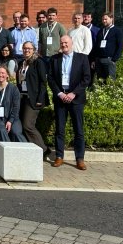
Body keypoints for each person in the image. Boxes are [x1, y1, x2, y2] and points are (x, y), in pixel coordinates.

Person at [48, 35, 91, 170]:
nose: (64, 44)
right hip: (61, 98)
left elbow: (86, 79)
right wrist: (60, 93)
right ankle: (59, 156)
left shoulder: (82, 58)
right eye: (61, 42)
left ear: (71, 43)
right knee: (60, 129)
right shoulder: (55, 59)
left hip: (76, 98)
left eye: (66, 42)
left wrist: (74, 93)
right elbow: (50, 78)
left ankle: (80, 159)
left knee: (78, 130)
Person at [17, 41, 50, 158]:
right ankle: (33, 149)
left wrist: (40, 98)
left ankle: (44, 149)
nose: (27, 50)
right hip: (23, 97)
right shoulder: (21, 63)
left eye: (29, 48)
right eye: (25, 48)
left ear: (34, 49)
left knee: (28, 125)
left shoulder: (38, 62)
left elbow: (43, 82)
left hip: (34, 99)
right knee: (24, 125)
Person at [0, 66, 26, 143]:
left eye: (3, 73)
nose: (0, 75)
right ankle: (9, 152)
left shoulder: (13, 89)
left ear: (7, 75)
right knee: (2, 130)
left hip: (12, 118)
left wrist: (10, 121)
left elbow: (16, 107)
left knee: (16, 132)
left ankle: (28, 152)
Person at [92, 12, 123, 81]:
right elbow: (96, 46)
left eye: (106, 19)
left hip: (109, 60)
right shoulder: (100, 31)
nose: (104, 21)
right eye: (103, 19)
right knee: (100, 80)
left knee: (110, 81)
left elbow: (121, 46)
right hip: (99, 60)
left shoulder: (117, 31)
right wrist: (95, 59)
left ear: (111, 19)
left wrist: (114, 60)